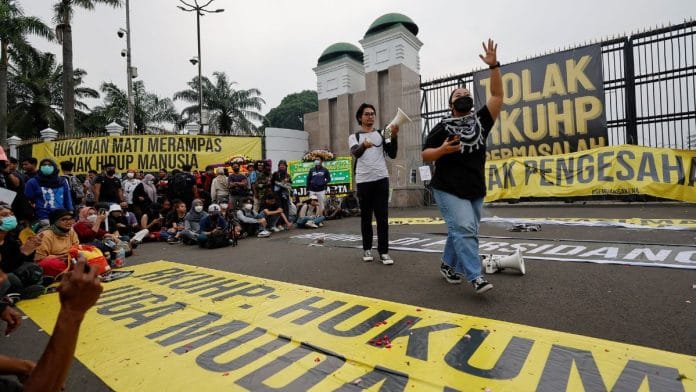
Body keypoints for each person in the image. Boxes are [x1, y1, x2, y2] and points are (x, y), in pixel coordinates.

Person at [421, 39, 503, 294]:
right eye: (458, 96)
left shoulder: (481, 120)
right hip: (447, 187)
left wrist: (494, 67)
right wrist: (443, 150)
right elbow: (425, 154)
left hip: (475, 187)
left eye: (466, 94)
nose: (463, 97)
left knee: (463, 228)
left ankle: (447, 265)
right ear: (450, 104)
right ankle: (475, 276)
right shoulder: (443, 125)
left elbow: (498, 95)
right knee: (466, 228)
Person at [348, 103, 399, 265]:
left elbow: (392, 153)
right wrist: (363, 145)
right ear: (359, 118)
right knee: (366, 217)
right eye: (366, 114)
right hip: (363, 182)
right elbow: (356, 152)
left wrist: (394, 136)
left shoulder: (382, 134)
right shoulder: (354, 137)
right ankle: (367, 249)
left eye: (372, 114)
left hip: (381, 179)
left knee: (382, 218)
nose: (370, 116)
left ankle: (384, 252)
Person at [24, 159, 73, 227]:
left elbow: (67, 197)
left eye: (49, 165)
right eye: (44, 165)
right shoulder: (32, 182)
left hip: (61, 215)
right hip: (42, 217)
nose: (47, 167)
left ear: (54, 167)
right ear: (40, 167)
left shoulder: (62, 181)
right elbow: (27, 199)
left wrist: (70, 211)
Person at [34, 209, 80, 277]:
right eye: (64, 219)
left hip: (70, 260)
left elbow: (76, 248)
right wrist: (58, 257)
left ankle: (74, 272)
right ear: (54, 221)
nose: (69, 222)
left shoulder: (71, 232)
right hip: (54, 263)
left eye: (70, 219)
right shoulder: (45, 235)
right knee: (49, 264)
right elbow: (39, 260)